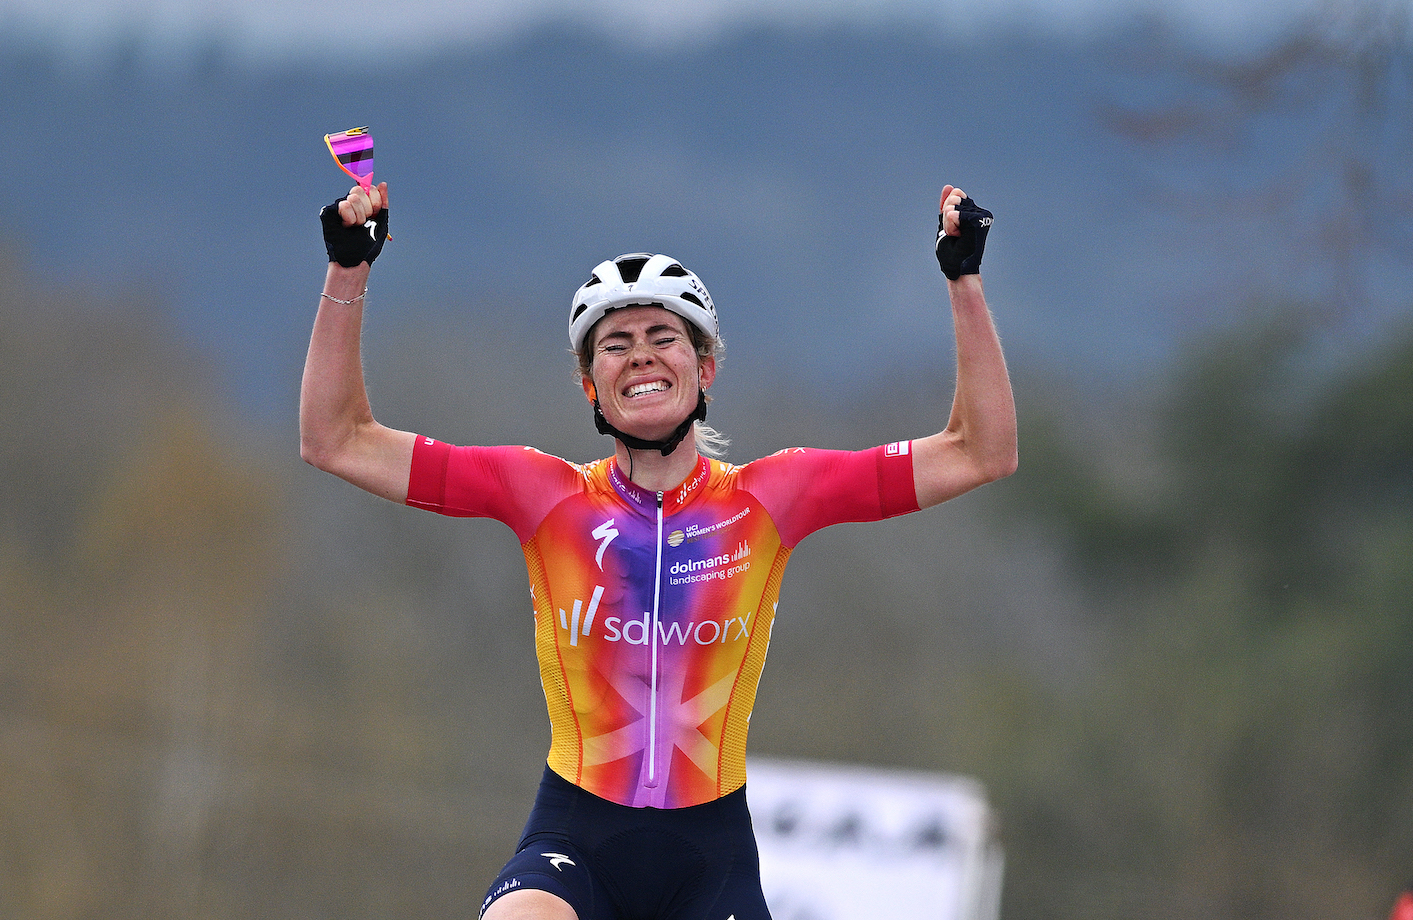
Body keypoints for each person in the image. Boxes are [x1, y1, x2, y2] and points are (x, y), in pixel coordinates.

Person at [300, 179, 1017, 920]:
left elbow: (979, 452)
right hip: (576, 836)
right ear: (590, 388)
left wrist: (964, 281)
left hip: (710, 858)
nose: (640, 357)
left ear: (704, 369)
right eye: (615, 344)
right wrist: (348, 269)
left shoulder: (775, 495)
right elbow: (336, 439)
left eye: (662, 337)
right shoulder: (542, 494)